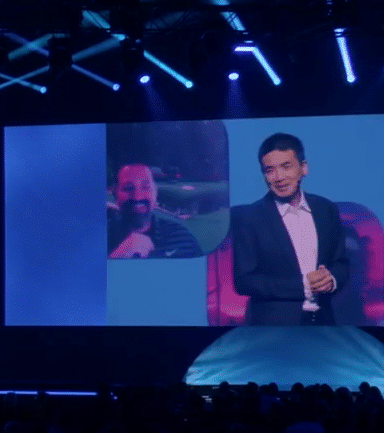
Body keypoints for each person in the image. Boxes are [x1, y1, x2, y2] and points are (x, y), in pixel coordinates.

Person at [231, 133, 351, 325]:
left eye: (286, 167)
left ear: (303, 168)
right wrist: (302, 286)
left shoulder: (326, 209)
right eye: (270, 170)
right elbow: (244, 281)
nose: (279, 177)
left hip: (324, 324)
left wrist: (332, 280)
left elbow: (341, 263)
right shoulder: (250, 218)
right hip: (272, 329)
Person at [108, 163, 203, 259]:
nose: (137, 196)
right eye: (128, 188)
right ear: (115, 194)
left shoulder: (182, 238)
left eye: (145, 187)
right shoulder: (100, 240)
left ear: (155, 192)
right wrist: (118, 256)